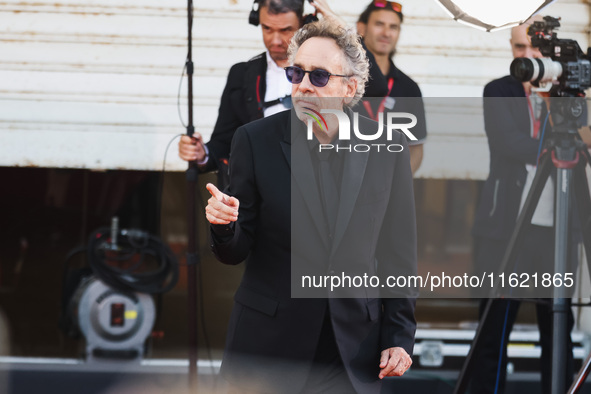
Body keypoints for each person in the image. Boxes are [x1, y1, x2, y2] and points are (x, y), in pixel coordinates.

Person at [205, 18, 417, 394]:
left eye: (318, 76)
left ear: (350, 87)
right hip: (268, 347)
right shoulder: (255, 141)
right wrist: (224, 224)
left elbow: (398, 253)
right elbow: (235, 249)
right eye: (296, 73)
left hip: (352, 350)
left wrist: (399, 335)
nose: (302, 85)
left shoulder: (388, 147)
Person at [470, 17, 578, 394]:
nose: (528, 55)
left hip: (557, 233)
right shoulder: (497, 90)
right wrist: (572, 139)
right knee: (493, 333)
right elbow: (507, 143)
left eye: (536, 48)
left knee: (559, 333)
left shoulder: (571, 95)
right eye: (519, 47)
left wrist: (560, 102)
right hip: (506, 230)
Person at [178, 0, 304, 187]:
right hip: (257, 193)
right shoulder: (242, 75)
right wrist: (201, 154)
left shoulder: (322, 72)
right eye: (267, 28)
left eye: (286, 30)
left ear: (304, 23)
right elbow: (223, 143)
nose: (275, 40)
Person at [356, 0, 427, 173]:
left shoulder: (409, 88)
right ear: (361, 28)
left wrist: (396, 187)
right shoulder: (342, 79)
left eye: (393, 27)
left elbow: (415, 148)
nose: (386, 33)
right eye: (379, 24)